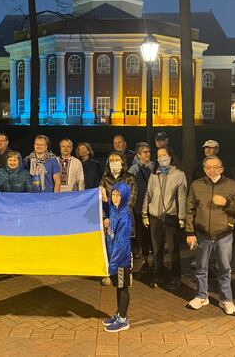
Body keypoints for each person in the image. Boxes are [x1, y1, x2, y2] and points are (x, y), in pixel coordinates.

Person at [185, 156, 235, 315]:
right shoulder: (196, 185)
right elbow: (189, 210)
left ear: (222, 169)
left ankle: (226, 300)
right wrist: (190, 232)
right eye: (208, 167)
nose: (212, 170)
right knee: (201, 267)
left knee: (224, 268)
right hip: (202, 234)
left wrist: (226, 203)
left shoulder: (233, 186)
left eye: (215, 167)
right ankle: (201, 296)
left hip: (224, 235)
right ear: (204, 169)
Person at [141, 146, 187, 289]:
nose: (161, 158)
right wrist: (144, 213)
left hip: (170, 216)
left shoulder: (179, 174)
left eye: (164, 155)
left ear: (170, 157)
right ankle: (158, 275)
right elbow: (148, 194)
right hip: (154, 216)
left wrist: (181, 217)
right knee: (156, 249)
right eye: (159, 156)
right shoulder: (154, 174)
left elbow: (182, 197)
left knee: (173, 249)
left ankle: (175, 276)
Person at [99, 151, 137, 286]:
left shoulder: (130, 178)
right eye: (111, 160)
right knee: (110, 246)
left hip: (124, 219)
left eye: (117, 159)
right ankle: (111, 273)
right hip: (109, 220)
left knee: (125, 248)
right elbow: (101, 202)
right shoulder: (105, 179)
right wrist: (104, 216)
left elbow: (131, 200)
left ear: (122, 162)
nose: (114, 162)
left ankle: (127, 273)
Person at [102, 182, 133, 333]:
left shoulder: (124, 216)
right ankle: (119, 313)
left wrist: (112, 265)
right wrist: (104, 200)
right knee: (118, 288)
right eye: (113, 194)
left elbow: (121, 245)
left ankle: (123, 319)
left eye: (118, 195)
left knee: (123, 288)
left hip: (121, 261)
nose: (115, 197)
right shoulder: (115, 210)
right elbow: (109, 212)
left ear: (125, 196)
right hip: (114, 258)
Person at [127, 142, 154, 272]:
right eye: (144, 152)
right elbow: (129, 186)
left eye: (148, 151)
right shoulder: (134, 169)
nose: (147, 154)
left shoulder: (154, 167)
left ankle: (154, 259)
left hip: (153, 206)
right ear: (138, 155)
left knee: (153, 233)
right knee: (142, 232)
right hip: (139, 206)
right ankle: (145, 259)